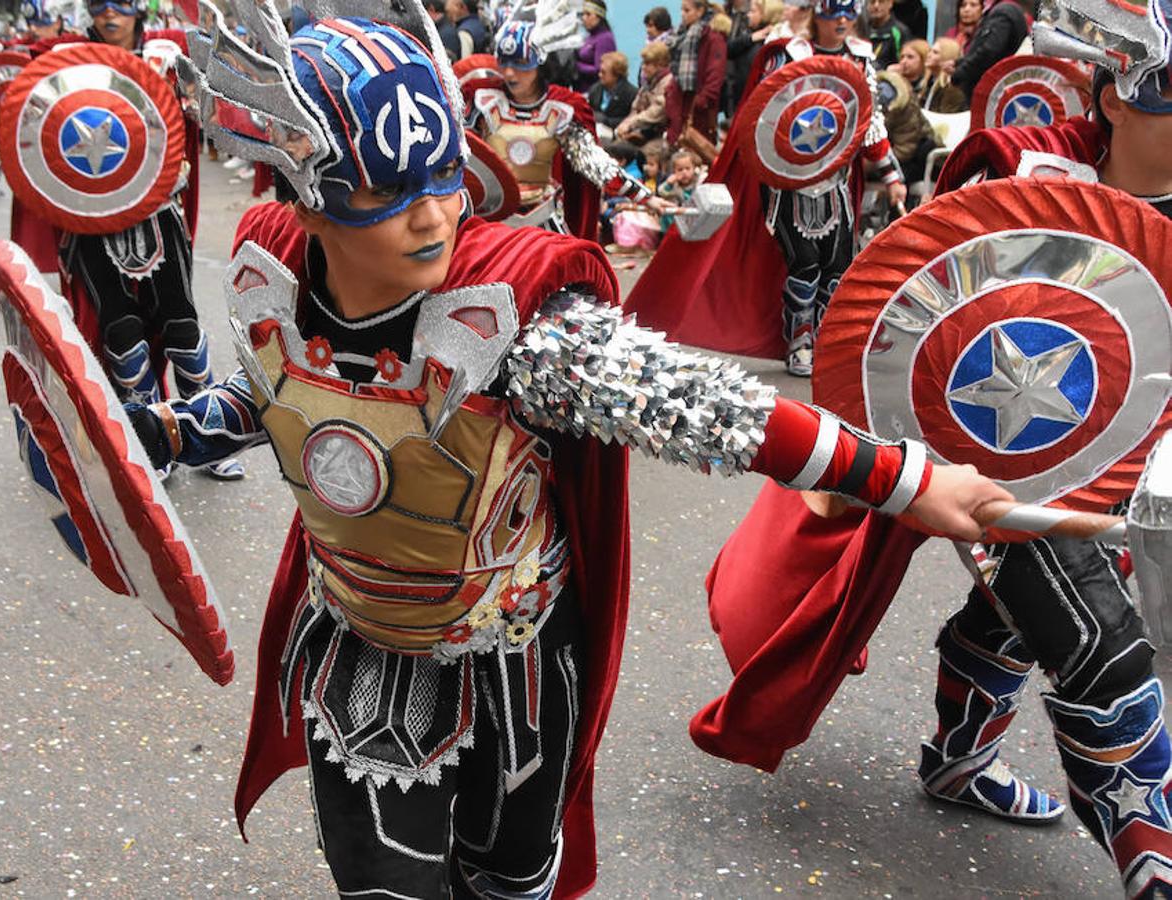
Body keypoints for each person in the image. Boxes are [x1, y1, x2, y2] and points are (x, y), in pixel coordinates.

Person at [113, 8, 1010, 896]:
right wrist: (155, 435)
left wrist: (904, 480)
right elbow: (269, 396)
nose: (434, 215)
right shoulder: (266, 272)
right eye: (388, 193)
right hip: (361, 646)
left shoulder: (520, 318)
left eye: (442, 178)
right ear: (307, 199)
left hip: (514, 653)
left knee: (509, 882)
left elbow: (708, 409)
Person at [910, 3, 1172, 890]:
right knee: (1101, 642)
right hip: (1007, 458)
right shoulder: (1026, 171)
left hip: (1144, 464)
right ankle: (1157, 863)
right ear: (1114, 97)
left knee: (1016, 617)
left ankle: (955, 758)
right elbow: (917, 311)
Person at [13, 0, 244, 481]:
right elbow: (27, 109)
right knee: (121, 330)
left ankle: (208, 436)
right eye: (98, 3)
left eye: (119, 2)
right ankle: (147, 439)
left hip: (161, 210)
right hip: (92, 215)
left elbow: (212, 103)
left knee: (182, 325)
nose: (109, 13)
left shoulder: (167, 52)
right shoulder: (69, 58)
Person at [760, 0, 906, 375]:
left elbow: (870, 119)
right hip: (792, 179)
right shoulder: (790, 54)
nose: (841, 19)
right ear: (815, 13)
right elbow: (765, 113)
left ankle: (825, 339)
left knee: (838, 264)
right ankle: (800, 340)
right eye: (832, 11)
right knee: (805, 262)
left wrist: (890, 175)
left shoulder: (859, 56)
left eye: (847, 11)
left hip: (838, 178)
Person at [467, 19, 652, 240]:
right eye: (504, 62)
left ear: (540, 62)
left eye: (520, 62)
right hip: (492, 222)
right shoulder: (482, 100)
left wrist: (645, 197)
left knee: (573, 269)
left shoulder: (561, 107)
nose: (509, 73)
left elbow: (593, 162)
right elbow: (461, 155)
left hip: (542, 220)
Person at [665, 0, 728, 144]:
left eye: (687, 11)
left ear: (700, 11)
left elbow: (714, 77)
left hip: (698, 111)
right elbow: (676, 71)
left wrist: (700, 102)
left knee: (697, 154)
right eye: (681, 10)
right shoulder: (681, 35)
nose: (682, 14)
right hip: (679, 103)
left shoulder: (713, 38)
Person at [947, 0, 1026, 104]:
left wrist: (959, 73)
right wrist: (959, 63)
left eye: (973, 5)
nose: (967, 9)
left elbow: (989, 51)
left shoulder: (1003, 13)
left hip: (991, 94)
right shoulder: (999, 11)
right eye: (963, 5)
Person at [609, 40, 675, 163]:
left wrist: (631, 124)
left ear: (660, 64)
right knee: (614, 148)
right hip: (644, 132)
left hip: (661, 135)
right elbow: (635, 109)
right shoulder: (648, 83)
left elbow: (657, 112)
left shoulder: (668, 82)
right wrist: (623, 127)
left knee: (643, 156)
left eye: (647, 63)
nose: (643, 67)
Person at [587, 51, 637, 139]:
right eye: (600, 71)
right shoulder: (595, 89)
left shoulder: (632, 93)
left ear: (616, 74)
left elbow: (632, 119)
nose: (600, 75)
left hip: (619, 136)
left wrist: (607, 121)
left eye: (603, 72)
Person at [574, 0, 616, 92]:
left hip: (594, 92)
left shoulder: (605, 39)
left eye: (588, 14)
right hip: (582, 89)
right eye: (583, 14)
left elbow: (600, 70)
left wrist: (576, 65)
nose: (584, 18)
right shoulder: (590, 37)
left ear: (599, 17)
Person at [921, 36, 965, 112]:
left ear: (947, 57)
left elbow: (946, 117)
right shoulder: (929, 82)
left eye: (935, 52)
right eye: (930, 51)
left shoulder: (952, 87)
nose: (928, 55)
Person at [866, 0, 910, 70]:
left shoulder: (899, 32)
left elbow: (903, 63)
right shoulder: (860, 28)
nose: (876, 6)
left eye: (881, 1)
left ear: (890, 3)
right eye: (872, 2)